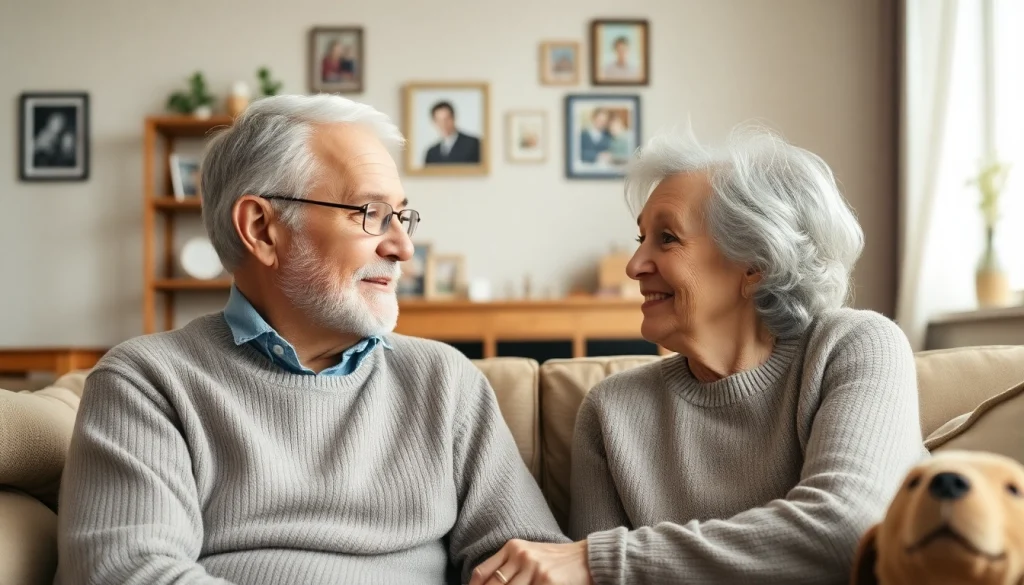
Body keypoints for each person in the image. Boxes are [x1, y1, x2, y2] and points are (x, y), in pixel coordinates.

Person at [55, 94, 567, 585]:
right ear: (261, 229)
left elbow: (531, 560)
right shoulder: (147, 381)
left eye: (401, 215)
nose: (404, 246)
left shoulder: (445, 379)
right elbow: (124, 571)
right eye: (370, 214)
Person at [470, 126, 927, 585]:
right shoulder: (611, 411)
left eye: (666, 238)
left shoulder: (855, 346)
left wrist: (600, 560)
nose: (634, 267)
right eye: (640, 239)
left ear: (755, 264)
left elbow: (846, 530)